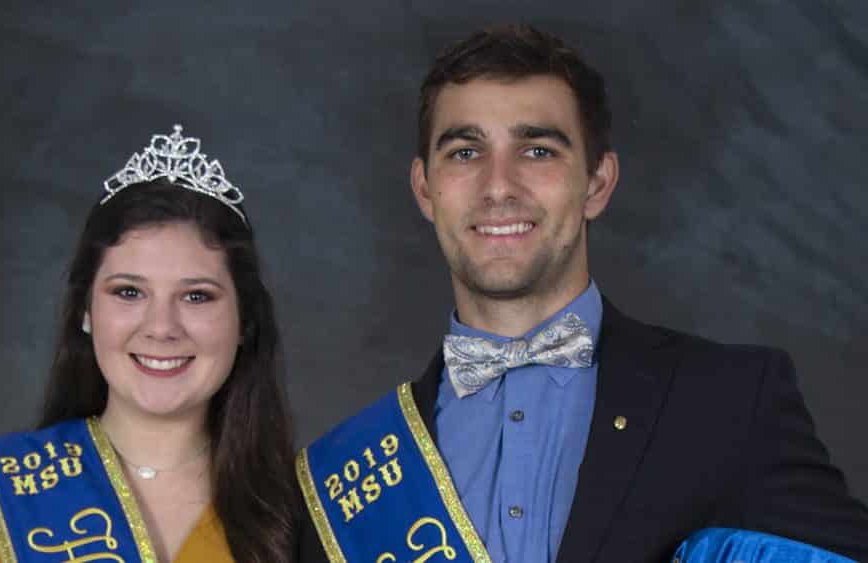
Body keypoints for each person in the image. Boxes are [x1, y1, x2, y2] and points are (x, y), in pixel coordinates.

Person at [295, 25, 868, 562]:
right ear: (425, 189)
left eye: (538, 150)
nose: (498, 186)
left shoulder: (733, 401)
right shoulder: (341, 477)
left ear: (597, 183)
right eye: (465, 152)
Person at [0, 125, 297, 562]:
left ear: (244, 321)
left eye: (196, 296)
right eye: (129, 292)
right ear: (86, 311)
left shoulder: (302, 515)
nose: (161, 327)